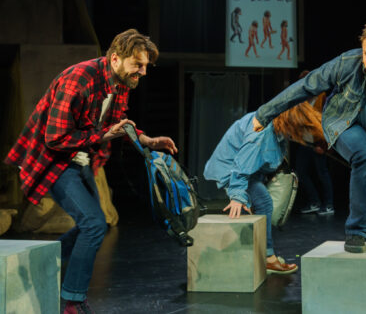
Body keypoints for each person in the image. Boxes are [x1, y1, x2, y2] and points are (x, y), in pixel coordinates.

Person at [4, 29, 177, 313]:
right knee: (94, 224)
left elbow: (118, 122)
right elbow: (55, 138)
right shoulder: (79, 80)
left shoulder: (120, 82)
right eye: (138, 65)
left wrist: (146, 140)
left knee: (92, 225)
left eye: (146, 66)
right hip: (54, 161)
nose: (143, 72)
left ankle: (41, 264)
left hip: (81, 159)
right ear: (115, 59)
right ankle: (73, 302)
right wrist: (103, 136)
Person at [253, 20, 366, 253]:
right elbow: (307, 86)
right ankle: (356, 233)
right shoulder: (348, 62)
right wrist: (265, 113)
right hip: (344, 122)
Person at [204, 102, 325, 274]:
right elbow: (242, 164)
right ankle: (268, 258)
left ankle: (258, 256)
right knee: (264, 202)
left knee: (258, 207)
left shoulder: (275, 125)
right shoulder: (262, 131)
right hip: (232, 170)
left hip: (246, 170)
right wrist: (237, 194)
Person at [294, 71, 334, 215]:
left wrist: (323, 145)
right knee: (301, 172)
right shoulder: (302, 100)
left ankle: (329, 204)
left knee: (322, 173)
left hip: (318, 143)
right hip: (305, 142)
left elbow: (328, 122)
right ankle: (314, 201)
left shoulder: (322, 98)